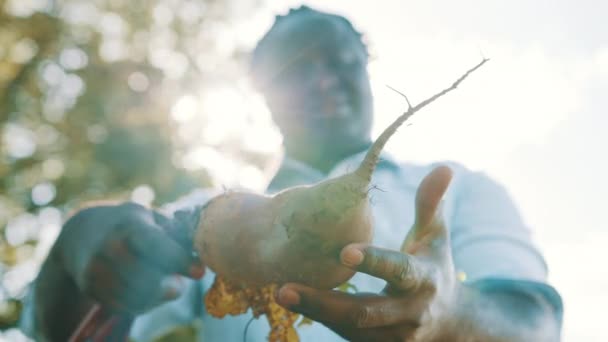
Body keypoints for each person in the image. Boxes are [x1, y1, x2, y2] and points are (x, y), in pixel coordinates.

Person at [21, 5, 562, 341]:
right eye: (296, 70)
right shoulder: (207, 213)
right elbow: (68, 330)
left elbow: (536, 320)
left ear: (366, 67)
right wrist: (75, 255)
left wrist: (451, 314)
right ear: (263, 96)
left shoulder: (459, 188)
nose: (323, 82)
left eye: (338, 61)